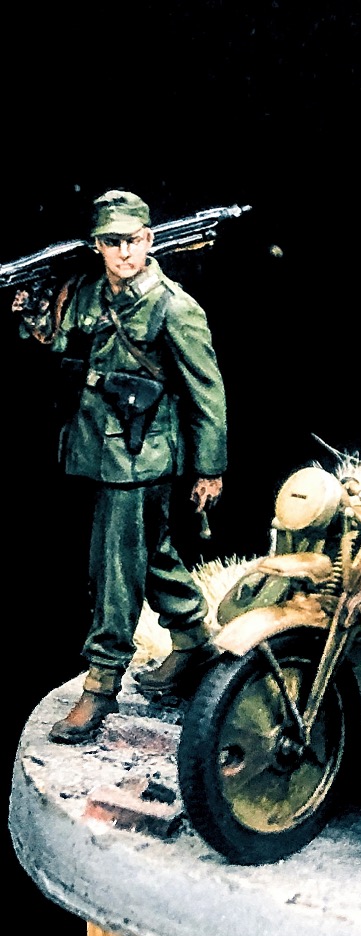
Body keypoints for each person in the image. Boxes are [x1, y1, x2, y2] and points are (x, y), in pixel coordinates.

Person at [37, 190, 228, 742]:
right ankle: (193, 639)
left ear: (149, 240)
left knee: (114, 570)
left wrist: (209, 469)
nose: (124, 252)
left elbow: (207, 391)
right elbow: (63, 341)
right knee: (151, 551)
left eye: (133, 240)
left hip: (143, 456)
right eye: (111, 241)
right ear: (97, 246)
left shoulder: (174, 306)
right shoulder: (91, 292)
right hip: (100, 445)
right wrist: (36, 312)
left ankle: (101, 683)